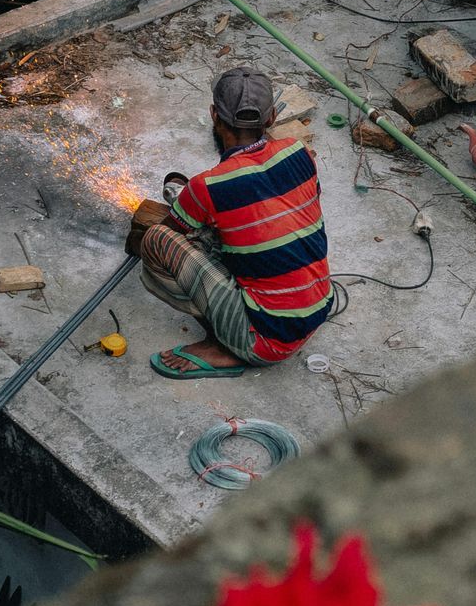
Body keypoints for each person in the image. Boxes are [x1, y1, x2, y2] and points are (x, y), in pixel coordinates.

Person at [137, 66, 334, 378]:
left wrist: (191, 203)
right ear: (270, 118)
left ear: (215, 116)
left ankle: (226, 345)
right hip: (319, 305)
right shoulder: (300, 152)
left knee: (156, 240)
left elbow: (174, 233)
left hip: (269, 340)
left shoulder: (207, 186)